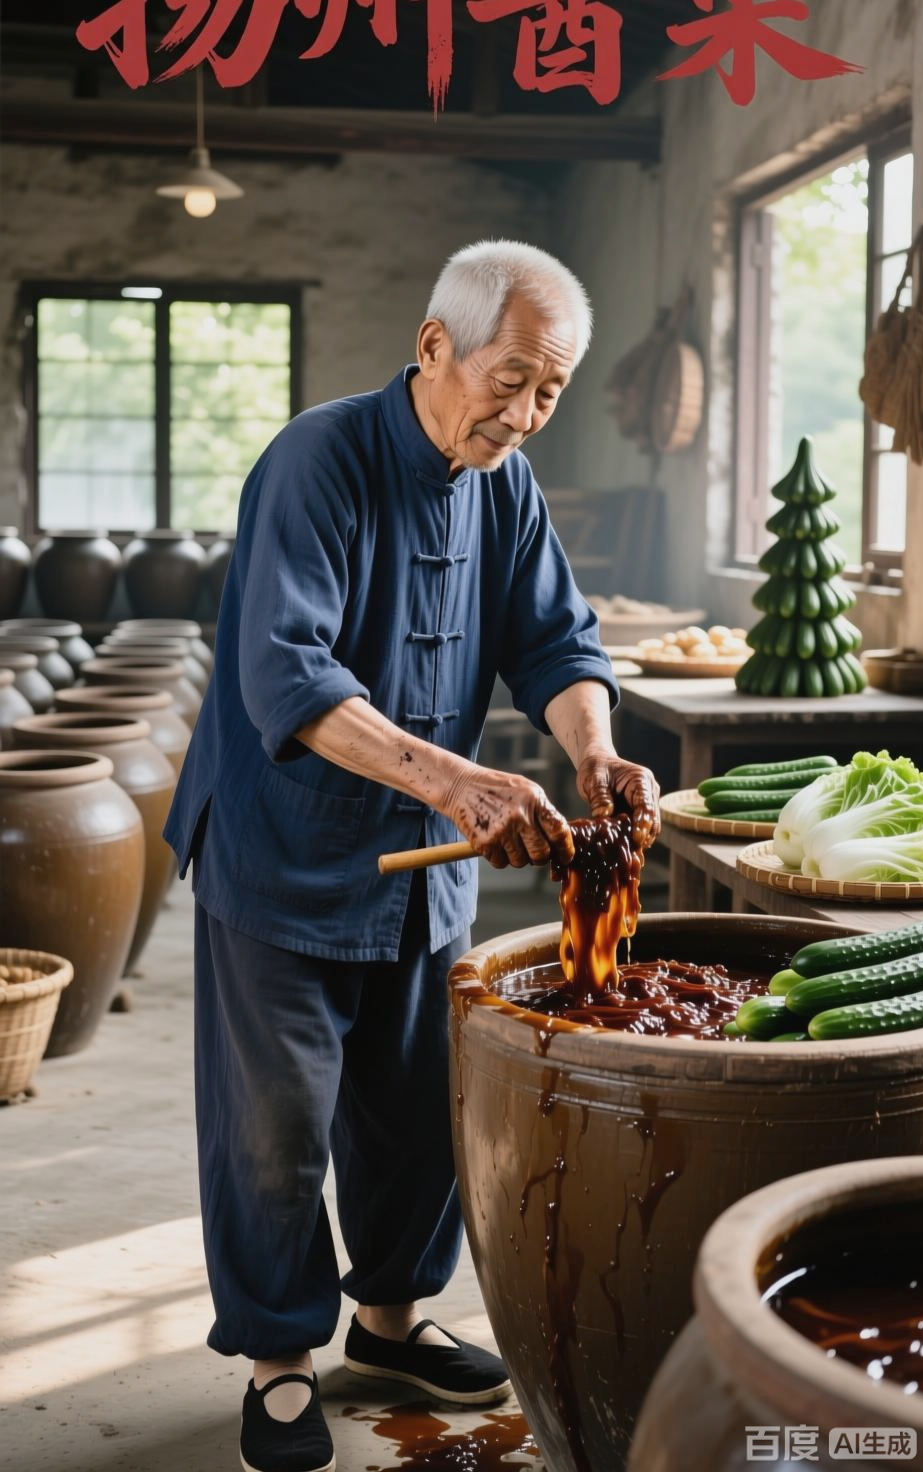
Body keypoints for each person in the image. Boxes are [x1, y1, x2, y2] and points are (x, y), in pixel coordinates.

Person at [164, 239, 660, 1472]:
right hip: (283, 850)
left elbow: (556, 638)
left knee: (415, 1114)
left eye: (552, 391)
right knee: (275, 1124)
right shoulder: (315, 462)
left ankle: (385, 1323)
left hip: (426, 863)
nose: (527, 413)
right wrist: (458, 777)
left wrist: (593, 751)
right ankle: (281, 1354)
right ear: (434, 344)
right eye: (513, 379)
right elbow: (288, 671)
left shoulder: (508, 483)